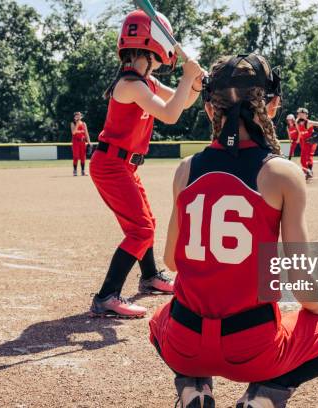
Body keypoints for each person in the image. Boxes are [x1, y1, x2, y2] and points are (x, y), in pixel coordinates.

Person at [149, 54, 318, 408]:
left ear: (208, 108)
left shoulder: (186, 170)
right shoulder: (282, 173)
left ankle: (193, 386)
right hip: (252, 348)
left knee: (159, 322)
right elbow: (300, 280)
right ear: (273, 105)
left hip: (185, 343)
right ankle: (264, 395)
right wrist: (316, 305)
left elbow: (171, 260)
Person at [88, 10, 204, 318]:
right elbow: (169, 114)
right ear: (155, 46)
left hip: (123, 165)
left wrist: (193, 85)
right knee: (140, 229)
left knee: (145, 223)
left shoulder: (146, 82)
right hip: (111, 164)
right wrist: (187, 77)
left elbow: (181, 102)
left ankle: (150, 276)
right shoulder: (129, 85)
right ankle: (106, 296)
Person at [296, 108, 318, 180]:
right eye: (299, 114)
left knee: (309, 157)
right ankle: (306, 172)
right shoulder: (297, 122)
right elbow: (299, 132)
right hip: (303, 141)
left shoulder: (308, 123)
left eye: (303, 114)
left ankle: (310, 172)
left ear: (306, 116)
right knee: (302, 159)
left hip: (311, 141)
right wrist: (298, 140)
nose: (301, 115)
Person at [71, 112, 91, 176]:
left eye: (79, 116)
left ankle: (83, 171)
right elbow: (73, 132)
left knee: (83, 157)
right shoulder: (73, 123)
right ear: (74, 117)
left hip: (82, 142)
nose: (78, 117)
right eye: (77, 116)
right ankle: (75, 171)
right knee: (76, 156)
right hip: (75, 142)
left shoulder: (83, 124)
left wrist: (89, 142)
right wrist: (77, 123)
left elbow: (86, 133)